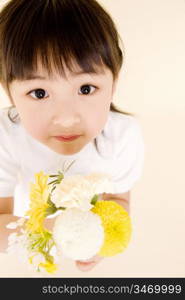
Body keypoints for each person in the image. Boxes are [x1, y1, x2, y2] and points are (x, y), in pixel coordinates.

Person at [0, 0, 145, 272]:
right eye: (40, 93)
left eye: (87, 88)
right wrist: (48, 230)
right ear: (9, 92)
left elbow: (118, 201)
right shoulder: (5, 136)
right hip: (22, 236)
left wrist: (100, 241)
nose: (66, 118)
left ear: (113, 82)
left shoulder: (122, 135)